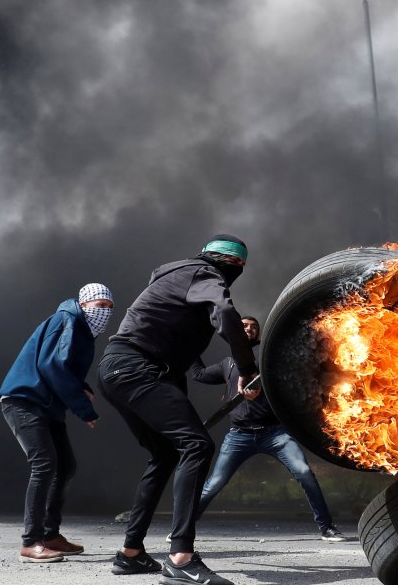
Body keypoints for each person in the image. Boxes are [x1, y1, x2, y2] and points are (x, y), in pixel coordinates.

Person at [98, 234, 257, 585]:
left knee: (165, 455)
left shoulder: (174, 275)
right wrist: (246, 368)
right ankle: (181, 557)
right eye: (238, 269)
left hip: (117, 368)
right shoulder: (205, 274)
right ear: (233, 266)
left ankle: (130, 554)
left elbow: (172, 342)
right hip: (138, 368)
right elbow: (227, 314)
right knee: (197, 445)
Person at [188, 316, 346, 542]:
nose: (249, 329)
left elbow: (297, 364)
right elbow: (198, 374)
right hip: (239, 435)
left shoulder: (269, 355)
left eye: (254, 327)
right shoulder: (228, 363)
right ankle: (185, 528)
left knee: (303, 472)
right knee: (214, 483)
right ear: (236, 332)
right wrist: (190, 347)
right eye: (243, 325)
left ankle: (327, 527)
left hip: (275, 433)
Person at [0, 283, 115, 563]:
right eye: (100, 306)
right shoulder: (67, 319)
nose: (105, 313)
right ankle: (31, 541)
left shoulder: (82, 328)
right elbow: (52, 365)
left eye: (110, 308)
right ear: (83, 304)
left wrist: (80, 386)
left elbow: (60, 365)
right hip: (24, 399)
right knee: (45, 465)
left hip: (47, 405)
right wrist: (84, 409)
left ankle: (50, 534)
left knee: (66, 466)